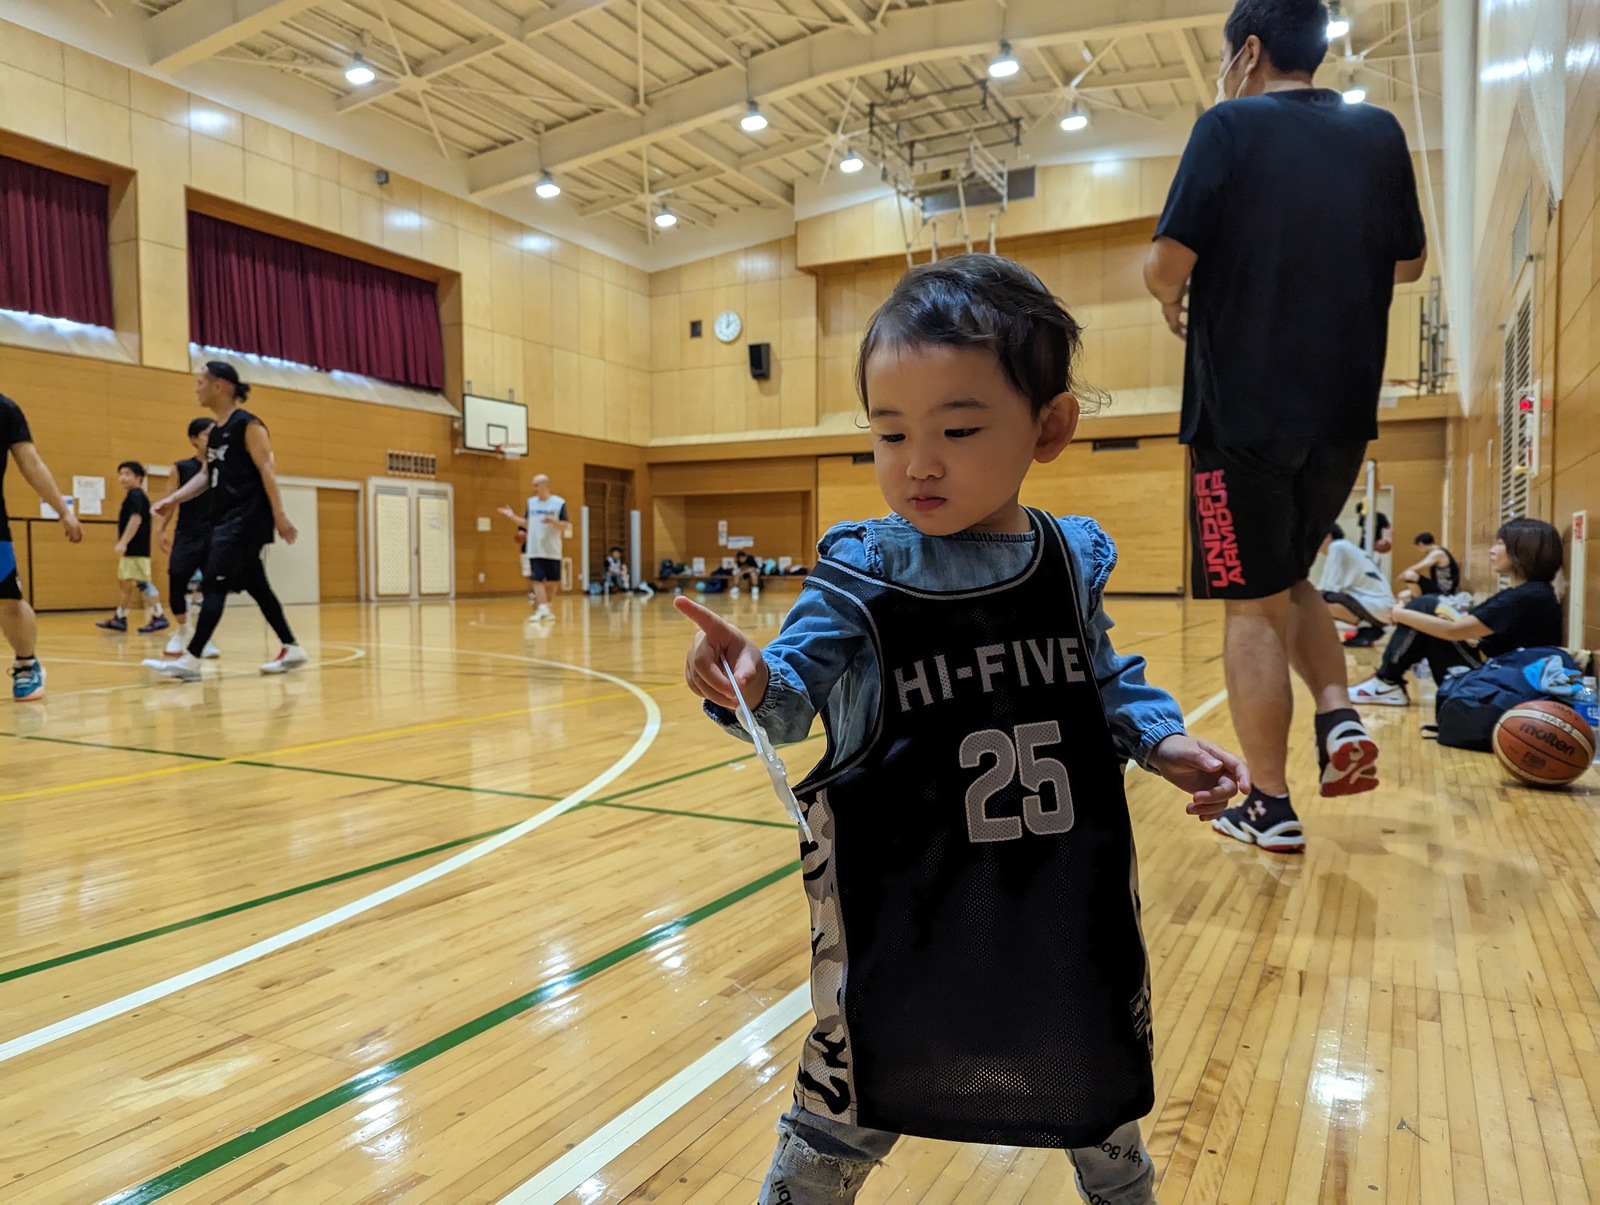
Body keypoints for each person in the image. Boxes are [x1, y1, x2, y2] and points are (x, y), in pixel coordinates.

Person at [675, 255, 1249, 1205]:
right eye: (890, 432)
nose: (919, 460)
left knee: (1097, 1093)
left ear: (1049, 426)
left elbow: (1102, 681)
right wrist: (744, 681)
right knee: (848, 1107)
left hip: (1060, 898)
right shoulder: (858, 576)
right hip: (902, 905)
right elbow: (784, 706)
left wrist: (1164, 743)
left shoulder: (1070, 561)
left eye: (959, 427)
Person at [1142, 0, 1427, 849]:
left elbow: (1166, 265)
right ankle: (1338, 715)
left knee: (1247, 605)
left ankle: (1268, 804)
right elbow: (1408, 261)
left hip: (1241, 413)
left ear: (1252, 49)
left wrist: (1174, 294)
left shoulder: (1226, 125)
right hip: (1341, 413)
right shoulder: (1378, 133)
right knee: (1291, 578)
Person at [145, 362, 305, 681]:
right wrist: (172, 499)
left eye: (200, 382)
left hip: (245, 520)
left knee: (212, 585)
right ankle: (292, 646)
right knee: (258, 586)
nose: (196, 388)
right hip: (226, 519)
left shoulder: (249, 425)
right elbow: (206, 476)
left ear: (219, 386)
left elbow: (267, 472)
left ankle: (191, 659)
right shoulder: (216, 433)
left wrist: (280, 515)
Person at [1349, 518, 1565, 706]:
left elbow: (1453, 631)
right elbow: (1470, 624)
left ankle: (1387, 682)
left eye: (1500, 544)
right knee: (1427, 606)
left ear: (1522, 551)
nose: (1492, 550)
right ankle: (1387, 682)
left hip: (1499, 681)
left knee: (1422, 606)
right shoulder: (1528, 593)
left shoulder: (1527, 597)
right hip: (1496, 670)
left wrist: (1399, 614)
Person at [1, 393, 83, 700]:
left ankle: (26, 663)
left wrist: (64, 512)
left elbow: (30, 462)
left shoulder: (6, 409)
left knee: (7, 598)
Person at [153, 418, 222, 659]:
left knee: (211, 588)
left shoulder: (222, 466)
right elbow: (171, 501)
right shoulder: (181, 468)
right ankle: (182, 630)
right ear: (193, 439)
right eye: (206, 434)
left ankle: (205, 637)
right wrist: (160, 530)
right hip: (187, 533)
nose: (211, 439)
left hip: (215, 534)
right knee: (177, 582)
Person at [94, 462, 168, 635]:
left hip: (136, 549)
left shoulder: (135, 495)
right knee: (126, 583)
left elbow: (136, 519)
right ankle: (120, 617)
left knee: (142, 583)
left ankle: (159, 616)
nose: (123, 478)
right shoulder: (136, 496)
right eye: (121, 474)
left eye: (128, 474)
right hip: (135, 550)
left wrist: (123, 542)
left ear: (138, 478)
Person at [498, 473, 570, 621]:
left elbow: (565, 525)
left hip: (552, 548)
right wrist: (512, 516)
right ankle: (542, 608)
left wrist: (553, 522)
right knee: (536, 579)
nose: (534, 488)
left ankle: (546, 607)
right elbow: (527, 523)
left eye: (536, 485)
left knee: (552, 582)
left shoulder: (559, 503)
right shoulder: (531, 503)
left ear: (545, 485)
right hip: (535, 548)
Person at [1318, 523, 1394, 647]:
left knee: (1319, 599)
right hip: (1381, 608)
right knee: (1321, 598)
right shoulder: (1346, 547)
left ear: (1327, 536)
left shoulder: (1337, 547)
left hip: (1376, 607)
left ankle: (1367, 627)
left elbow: (1327, 587)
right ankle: (1367, 629)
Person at [1398, 530, 1461, 601]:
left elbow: (1418, 567)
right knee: (1402, 595)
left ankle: (1417, 603)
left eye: (1418, 548)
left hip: (1444, 590)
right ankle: (1417, 600)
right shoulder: (1438, 551)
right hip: (1438, 586)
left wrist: (1402, 575)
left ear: (1421, 544)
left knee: (1409, 574)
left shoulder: (1437, 553)